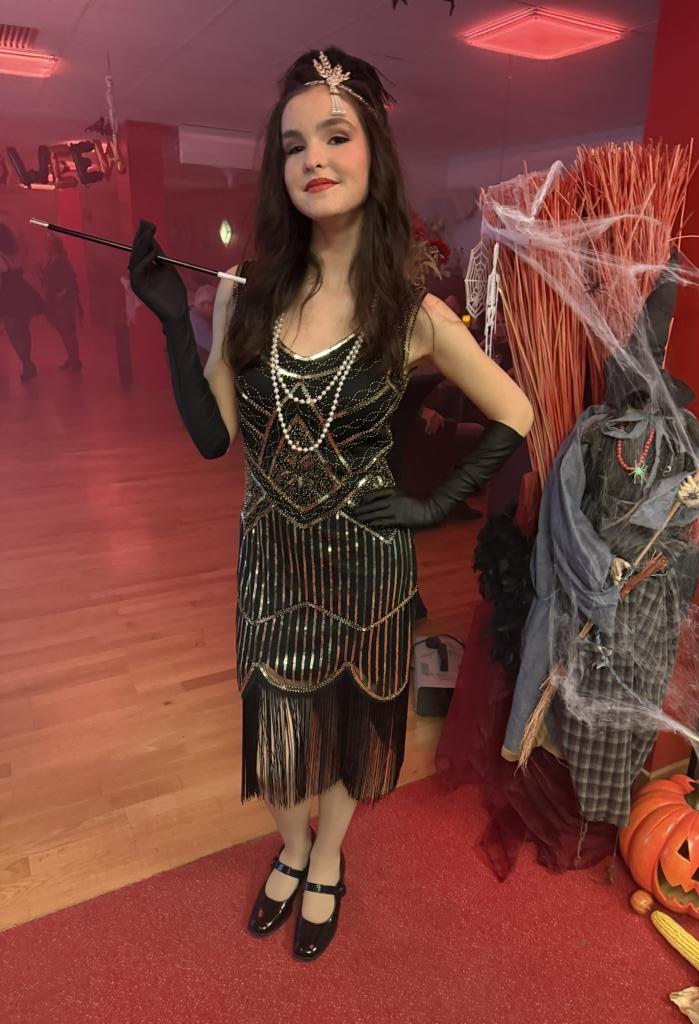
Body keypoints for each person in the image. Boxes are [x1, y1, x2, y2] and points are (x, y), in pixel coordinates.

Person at [129, 47, 533, 962]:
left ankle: (328, 857)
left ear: (374, 152)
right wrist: (174, 321)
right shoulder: (249, 295)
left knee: (354, 721)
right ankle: (292, 844)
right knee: (277, 728)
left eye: (336, 135)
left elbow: (517, 411)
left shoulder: (410, 310)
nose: (312, 156)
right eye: (292, 144)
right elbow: (212, 437)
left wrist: (431, 509)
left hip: (369, 566)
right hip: (270, 559)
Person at [0, 224, 46, 382]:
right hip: (23, 293)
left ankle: (27, 364)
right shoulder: (15, 254)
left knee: (13, 334)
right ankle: (28, 364)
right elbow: (25, 251)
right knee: (24, 331)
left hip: (8, 297)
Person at [40, 235, 83, 373]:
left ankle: (75, 361)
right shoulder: (51, 260)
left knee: (68, 332)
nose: (46, 246)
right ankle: (71, 358)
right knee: (64, 332)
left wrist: (61, 294)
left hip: (63, 303)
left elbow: (69, 281)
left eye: (48, 244)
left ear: (54, 246)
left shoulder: (62, 261)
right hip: (54, 301)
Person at [188, 283, 216, 366]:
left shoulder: (200, 316)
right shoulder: (195, 319)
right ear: (204, 304)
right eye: (213, 303)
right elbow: (214, 346)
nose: (215, 308)